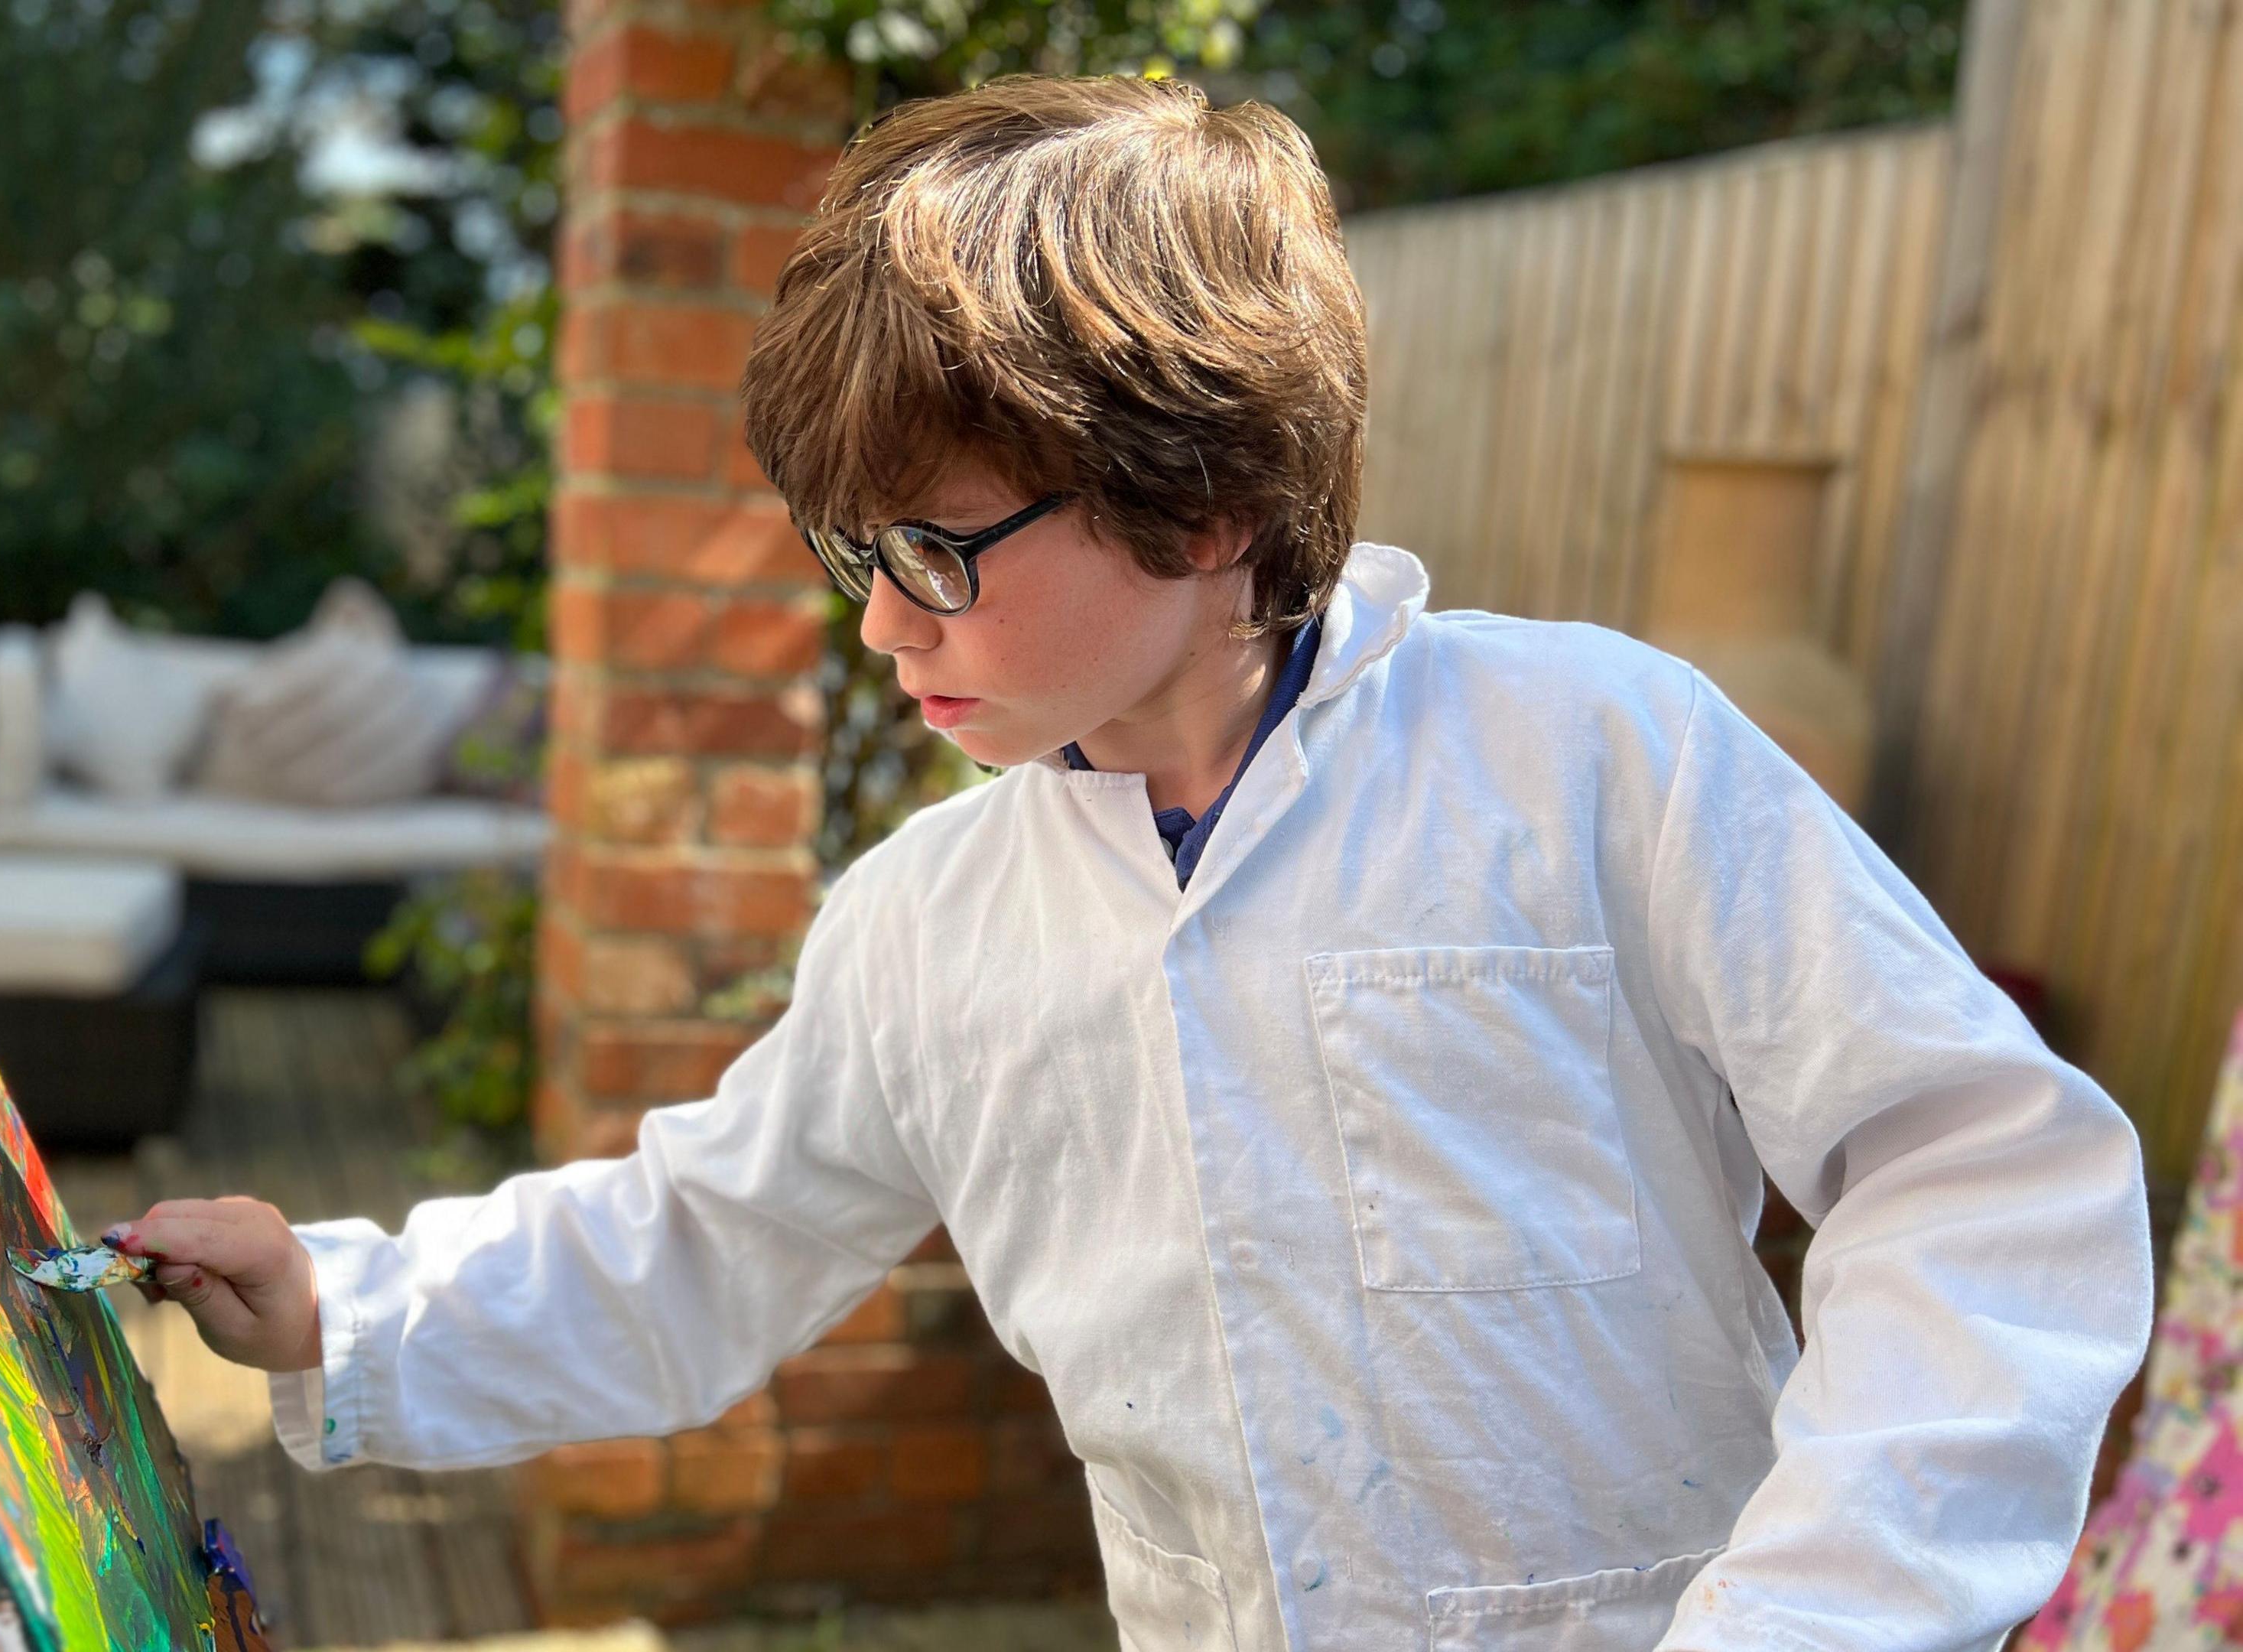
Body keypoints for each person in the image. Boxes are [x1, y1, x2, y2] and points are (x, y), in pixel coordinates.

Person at [107, 76, 2151, 1651]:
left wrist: (1822, 1611)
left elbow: (1977, 1175)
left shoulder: (1593, 754)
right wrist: (343, 1314)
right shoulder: (932, 926)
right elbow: (700, 1238)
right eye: (856, 559)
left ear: (1202, 498)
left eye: (938, 553)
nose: (883, 628)